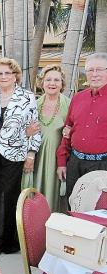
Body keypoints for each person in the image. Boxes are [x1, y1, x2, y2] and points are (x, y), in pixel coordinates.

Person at [0, 58, 41, 257]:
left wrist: (31, 153)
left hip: (14, 152)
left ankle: (0, 241)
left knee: (6, 195)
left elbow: (35, 127)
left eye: (8, 73)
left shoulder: (27, 97)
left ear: (15, 76)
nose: (3, 77)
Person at [57, 53, 107, 201]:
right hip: (75, 163)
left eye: (99, 69)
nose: (94, 74)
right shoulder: (78, 98)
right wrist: (62, 162)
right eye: (90, 70)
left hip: (102, 165)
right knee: (73, 205)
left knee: (97, 212)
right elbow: (67, 132)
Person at [22, 65, 70, 212]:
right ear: (42, 82)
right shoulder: (33, 104)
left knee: (53, 196)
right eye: (48, 79)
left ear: (62, 84)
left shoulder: (69, 104)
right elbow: (22, 131)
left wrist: (70, 131)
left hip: (57, 160)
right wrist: (27, 133)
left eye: (57, 80)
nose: (52, 83)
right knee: (34, 195)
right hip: (35, 156)